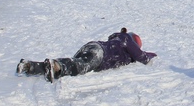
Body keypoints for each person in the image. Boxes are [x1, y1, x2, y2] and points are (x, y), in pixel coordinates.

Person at [17, 28, 157, 82]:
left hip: (93, 46)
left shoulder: (116, 40)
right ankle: (56, 65)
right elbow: (142, 57)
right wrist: (152, 54)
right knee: (76, 66)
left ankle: (31, 66)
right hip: (99, 54)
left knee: (74, 64)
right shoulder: (126, 40)